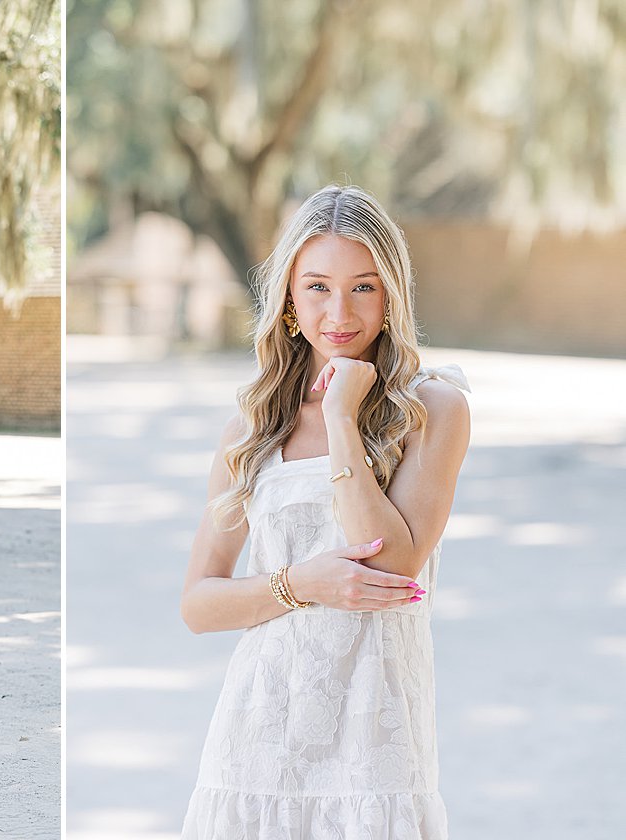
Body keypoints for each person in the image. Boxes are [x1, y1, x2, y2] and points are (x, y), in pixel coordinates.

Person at [179, 185, 471, 838]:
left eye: (363, 287)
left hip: (376, 751)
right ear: (288, 299)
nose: (340, 312)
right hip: (257, 746)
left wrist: (341, 417)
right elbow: (199, 603)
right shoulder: (251, 430)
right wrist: (298, 585)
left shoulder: (434, 409)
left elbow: (395, 558)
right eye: (317, 287)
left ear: (392, 294)